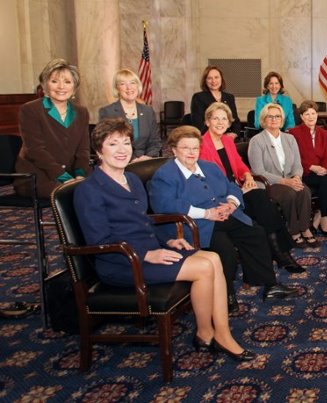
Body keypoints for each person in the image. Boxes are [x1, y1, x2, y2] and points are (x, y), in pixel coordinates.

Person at [75, 118, 255, 361]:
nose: (121, 150)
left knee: (214, 258)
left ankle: (214, 333)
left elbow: (145, 222)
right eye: (113, 144)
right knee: (204, 266)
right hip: (122, 262)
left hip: (148, 250)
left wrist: (167, 241)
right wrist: (148, 254)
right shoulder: (89, 189)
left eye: (126, 143)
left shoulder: (132, 180)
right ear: (99, 150)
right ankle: (210, 333)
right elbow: (99, 240)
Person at [149, 126, 298, 311]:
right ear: (173, 149)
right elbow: (165, 205)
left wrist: (232, 204)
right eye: (185, 148)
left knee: (255, 232)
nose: (191, 152)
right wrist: (206, 213)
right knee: (224, 248)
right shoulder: (165, 175)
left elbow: (232, 187)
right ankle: (225, 295)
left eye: (195, 148)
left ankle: (269, 284)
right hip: (195, 225)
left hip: (224, 215)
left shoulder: (209, 167)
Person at [198, 102, 304, 273]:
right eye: (215, 118)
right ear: (207, 121)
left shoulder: (227, 140)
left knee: (263, 201)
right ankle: (282, 254)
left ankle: (281, 253)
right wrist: (234, 191)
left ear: (228, 122)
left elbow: (239, 165)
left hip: (237, 189)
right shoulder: (201, 145)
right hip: (220, 195)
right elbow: (205, 179)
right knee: (262, 207)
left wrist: (247, 175)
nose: (220, 122)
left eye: (224, 119)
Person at [15, 58, 90, 198]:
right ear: (45, 85)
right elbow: (35, 150)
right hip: (38, 176)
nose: (61, 87)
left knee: (104, 186)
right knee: (79, 192)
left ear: (74, 87)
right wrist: (64, 177)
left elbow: (83, 150)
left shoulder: (81, 112)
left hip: (73, 173)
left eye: (67, 82)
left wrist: (79, 174)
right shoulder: (30, 110)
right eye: (54, 81)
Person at [248, 104, 319, 247]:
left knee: (304, 191)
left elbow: (297, 165)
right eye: (270, 116)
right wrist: (285, 182)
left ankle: (304, 228)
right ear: (263, 119)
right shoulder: (257, 141)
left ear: (282, 119)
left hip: (290, 179)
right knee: (289, 194)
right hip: (269, 183)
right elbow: (258, 171)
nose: (274, 119)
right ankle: (294, 232)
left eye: (278, 116)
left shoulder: (289, 139)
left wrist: (297, 177)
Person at [289, 101, 327, 235]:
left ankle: (320, 214)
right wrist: (311, 167)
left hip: (320, 170)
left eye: (313, 113)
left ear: (317, 114)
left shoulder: (323, 133)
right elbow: (294, 158)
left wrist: (324, 168)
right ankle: (324, 218)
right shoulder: (293, 133)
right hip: (304, 172)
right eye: (307, 114)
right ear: (302, 117)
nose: (310, 116)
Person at [99, 68, 161, 161]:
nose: (129, 88)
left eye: (132, 83)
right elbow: (107, 144)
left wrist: (148, 157)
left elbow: (155, 141)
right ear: (117, 88)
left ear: (138, 86)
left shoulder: (148, 111)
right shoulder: (108, 112)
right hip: (119, 161)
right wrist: (132, 159)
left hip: (146, 161)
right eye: (123, 84)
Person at [191, 65, 242, 135]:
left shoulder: (229, 97)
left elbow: (235, 121)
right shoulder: (198, 97)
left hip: (227, 137)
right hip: (208, 137)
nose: (213, 81)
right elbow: (198, 124)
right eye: (209, 78)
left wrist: (234, 134)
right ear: (205, 81)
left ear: (221, 79)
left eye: (216, 77)